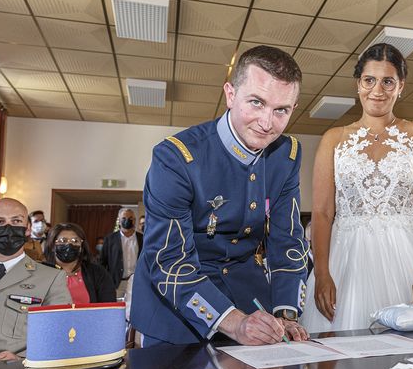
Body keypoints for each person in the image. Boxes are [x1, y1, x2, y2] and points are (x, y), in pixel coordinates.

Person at [131, 45, 309, 347]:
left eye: (281, 110)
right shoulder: (176, 158)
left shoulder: (287, 156)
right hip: (176, 309)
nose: (267, 123)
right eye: (256, 102)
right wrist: (235, 322)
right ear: (230, 94)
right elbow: (169, 260)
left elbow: (287, 240)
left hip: (248, 296)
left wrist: (286, 313)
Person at [300, 43, 413, 333]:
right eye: (369, 80)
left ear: (401, 86)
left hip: (411, 256)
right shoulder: (334, 138)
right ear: (358, 84)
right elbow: (321, 212)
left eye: (387, 81)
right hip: (349, 258)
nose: (377, 90)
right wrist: (321, 273)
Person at [0, 198, 71, 360]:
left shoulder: (51, 278)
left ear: (27, 228)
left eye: (16, 221)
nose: (8, 228)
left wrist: (23, 358)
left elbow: (59, 332)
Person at [44, 223, 116, 304]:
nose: (69, 244)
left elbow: (109, 306)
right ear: (52, 245)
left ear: (81, 247)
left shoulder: (97, 273)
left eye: (75, 241)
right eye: (63, 240)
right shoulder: (41, 272)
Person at [100, 208, 143, 297]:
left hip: (137, 282)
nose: (127, 220)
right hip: (116, 283)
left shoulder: (142, 238)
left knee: (135, 308)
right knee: (116, 308)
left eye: (130, 218)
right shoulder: (110, 239)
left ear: (134, 221)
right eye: (123, 218)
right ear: (119, 221)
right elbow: (102, 262)